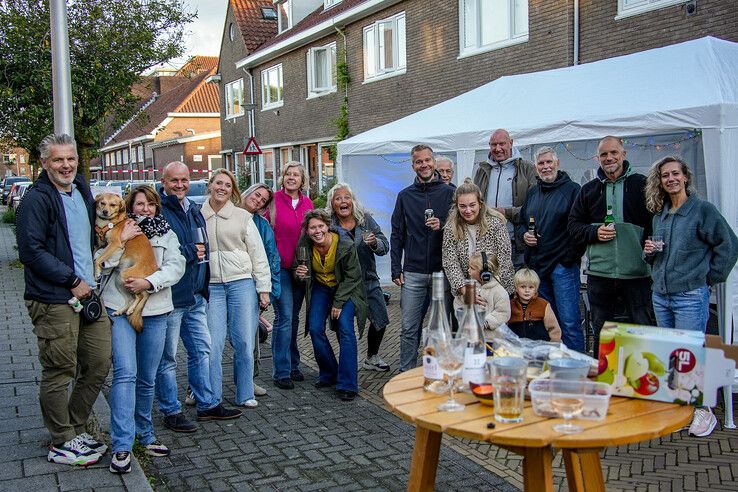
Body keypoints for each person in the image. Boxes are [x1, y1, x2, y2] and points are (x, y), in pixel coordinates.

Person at [16, 134, 111, 466]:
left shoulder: (81, 189)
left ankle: (75, 424)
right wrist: (71, 280)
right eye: (58, 160)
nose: (66, 165)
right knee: (60, 369)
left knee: (99, 360)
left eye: (70, 158)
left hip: (88, 293)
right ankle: (61, 440)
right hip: (55, 298)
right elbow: (31, 251)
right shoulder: (37, 199)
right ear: (44, 163)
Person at [643, 156, 738, 437]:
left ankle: (704, 412)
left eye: (675, 174)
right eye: (665, 175)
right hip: (661, 293)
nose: (670, 179)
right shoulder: (660, 214)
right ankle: (681, 409)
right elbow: (658, 256)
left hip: (689, 295)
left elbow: (729, 245)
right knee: (672, 356)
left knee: (691, 356)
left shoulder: (702, 210)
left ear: (686, 177)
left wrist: (708, 278)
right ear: (659, 181)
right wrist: (650, 253)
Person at [98, 186, 185, 473]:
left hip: (156, 310)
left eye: (150, 204)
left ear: (156, 207)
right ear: (129, 207)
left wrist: (149, 282)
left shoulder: (166, 234)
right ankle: (122, 444)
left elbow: (176, 267)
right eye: (139, 204)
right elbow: (100, 262)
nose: (145, 208)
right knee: (125, 374)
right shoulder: (116, 229)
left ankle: (145, 434)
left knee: (147, 378)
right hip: (119, 307)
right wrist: (120, 242)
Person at [156, 162, 241, 434]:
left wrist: (203, 286)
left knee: (201, 351)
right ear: (164, 181)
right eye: (174, 180)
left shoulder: (192, 209)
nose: (179, 185)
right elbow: (159, 253)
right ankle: (171, 410)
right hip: (171, 297)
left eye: (184, 180)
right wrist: (192, 252)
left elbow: (205, 248)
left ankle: (206, 403)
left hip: (194, 295)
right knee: (167, 358)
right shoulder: (159, 212)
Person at [568, 136, 654, 357]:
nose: (609, 158)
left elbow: (657, 224)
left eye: (613, 152)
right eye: (604, 154)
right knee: (602, 334)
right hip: (600, 274)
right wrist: (593, 232)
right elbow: (573, 226)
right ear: (598, 158)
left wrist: (650, 253)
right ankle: (604, 385)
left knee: (640, 332)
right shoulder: (588, 190)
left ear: (623, 154)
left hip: (637, 274)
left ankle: (639, 385)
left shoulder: (643, 185)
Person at [202, 169, 271, 408]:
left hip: (241, 283)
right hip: (212, 287)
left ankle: (245, 393)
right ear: (210, 185)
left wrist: (263, 288)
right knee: (213, 343)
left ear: (233, 191)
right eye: (218, 183)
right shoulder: (198, 215)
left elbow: (258, 254)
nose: (222, 188)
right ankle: (211, 396)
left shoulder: (243, 217)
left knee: (243, 341)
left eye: (228, 185)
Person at [391, 145, 455, 372]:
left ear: (434, 162)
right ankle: (405, 373)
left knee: (440, 327)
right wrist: (395, 268)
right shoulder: (405, 196)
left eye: (428, 160)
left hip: (442, 272)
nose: (424, 165)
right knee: (409, 327)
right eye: (419, 162)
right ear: (413, 165)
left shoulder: (450, 194)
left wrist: (443, 226)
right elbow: (397, 233)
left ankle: (437, 372)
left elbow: (461, 230)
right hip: (414, 271)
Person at [294, 210, 368, 401]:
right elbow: (298, 268)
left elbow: (354, 276)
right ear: (307, 231)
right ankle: (329, 373)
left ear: (328, 226)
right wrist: (299, 273)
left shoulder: (345, 244)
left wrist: (338, 302)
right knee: (315, 327)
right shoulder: (304, 244)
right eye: (312, 228)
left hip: (346, 288)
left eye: (320, 226)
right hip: (321, 287)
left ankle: (348, 384)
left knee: (345, 328)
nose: (317, 231)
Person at [518, 147, 585, 352]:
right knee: (548, 322)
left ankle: (577, 372)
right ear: (536, 168)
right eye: (541, 163)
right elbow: (522, 222)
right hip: (539, 268)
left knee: (569, 323)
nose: (545, 167)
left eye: (549, 162)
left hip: (562, 267)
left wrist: (568, 257)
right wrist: (524, 235)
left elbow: (580, 227)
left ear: (557, 163)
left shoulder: (573, 190)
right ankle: (555, 366)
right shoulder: (533, 193)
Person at [326, 182, 391, 371]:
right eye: (338, 198)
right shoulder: (329, 224)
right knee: (342, 326)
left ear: (353, 201)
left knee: (380, 319)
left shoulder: (365, 220)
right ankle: (347, 359)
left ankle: (372, 357)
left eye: (347, 197)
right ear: (332, 204)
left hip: (368, 280)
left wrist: (374, 243)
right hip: (342, 285)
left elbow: (384, 245)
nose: (343, 201)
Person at [266, 162, 314, 389]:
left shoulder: (308, 204)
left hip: (300, 270)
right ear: (282, 177)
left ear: (302, 180)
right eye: (288, 173)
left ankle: (294, 365)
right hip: (280, 270)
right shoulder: (273, 201)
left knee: (294, 318)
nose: (291, 177)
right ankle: (281, 370)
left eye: (296, 174)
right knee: (283, 317)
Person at [473, 129, 537, 269]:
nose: (497, 149)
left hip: (517, 242)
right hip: (487, 242)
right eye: (493, 144)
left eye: (502, 144)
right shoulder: (482, 170)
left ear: (511, 143)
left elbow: (534, 207)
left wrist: (506, 212)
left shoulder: (526, 168)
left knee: (517, 287)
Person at [442, 178, 515, 299]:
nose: (468, 210)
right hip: (466, 292)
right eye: (463, 206)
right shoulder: (451, 228)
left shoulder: (496, 223)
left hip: (497, 290)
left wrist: (487, 291)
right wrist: (465, 291)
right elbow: (450, 262)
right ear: (457, 206)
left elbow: (504, 260)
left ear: (480, 204)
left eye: (472, 205)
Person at [241, 183, 281, 390]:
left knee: (250, 338)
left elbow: (272, 258)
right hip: (218, 285)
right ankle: (196, 386)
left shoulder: (262, 225)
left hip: (251, 286)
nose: (258, 200)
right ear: (248, 192)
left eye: (263, 200)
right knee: (210, 340)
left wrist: (270, 291)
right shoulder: (226, 213)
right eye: (257, 195)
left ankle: (249, 380)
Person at [454, 251, 511, 332]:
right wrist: (464, 319)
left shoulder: (499, 292)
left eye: (472, 268)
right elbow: (458, 303)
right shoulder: (469, 288)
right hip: (468, 333)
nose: (468, 270)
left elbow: (503, 313)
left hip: (491, 338)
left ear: (484, 273)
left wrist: (484, 323)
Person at [508, 269, 562, 342]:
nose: (527, 290)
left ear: (536, 289)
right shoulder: (510, 305)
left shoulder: (543, 305)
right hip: (516, 348)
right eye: (523, 287)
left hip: (540, 348)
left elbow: (554, 329)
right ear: (516, 288)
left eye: (531, 287)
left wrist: (554, 346)